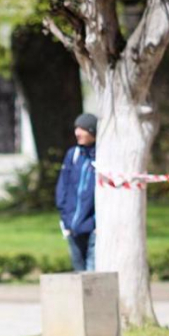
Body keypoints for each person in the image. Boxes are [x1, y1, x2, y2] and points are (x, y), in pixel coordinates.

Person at [56, 113, 98, 271]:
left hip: (94, 226)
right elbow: (63, 186)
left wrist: (98, 223)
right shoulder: (73, 154)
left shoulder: (103, 155)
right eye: (76, 128)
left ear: (92, 131)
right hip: (72, 224)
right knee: (79, 272)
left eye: (82, 129)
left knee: (92, 272)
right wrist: (65, 216)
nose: (77, 133)